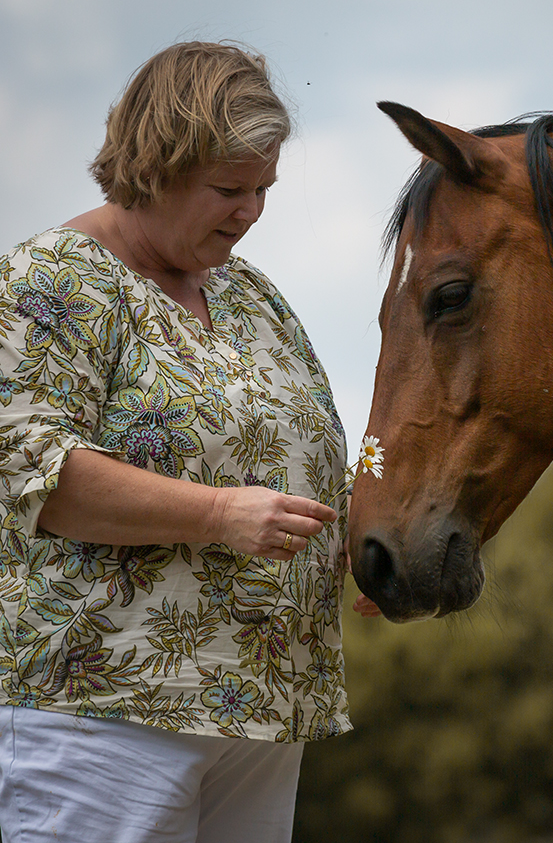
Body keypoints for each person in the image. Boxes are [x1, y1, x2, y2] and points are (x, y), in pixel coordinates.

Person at [0, 41, 363, 842]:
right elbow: (38, 478)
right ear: (156, 165)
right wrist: (219, 515)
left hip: (262, 713)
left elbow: (330, 444)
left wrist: (369, 513)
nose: (252, 213)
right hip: (101, 713)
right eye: (230, 189)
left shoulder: (253, 295)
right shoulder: (51, 280)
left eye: (264, 188)